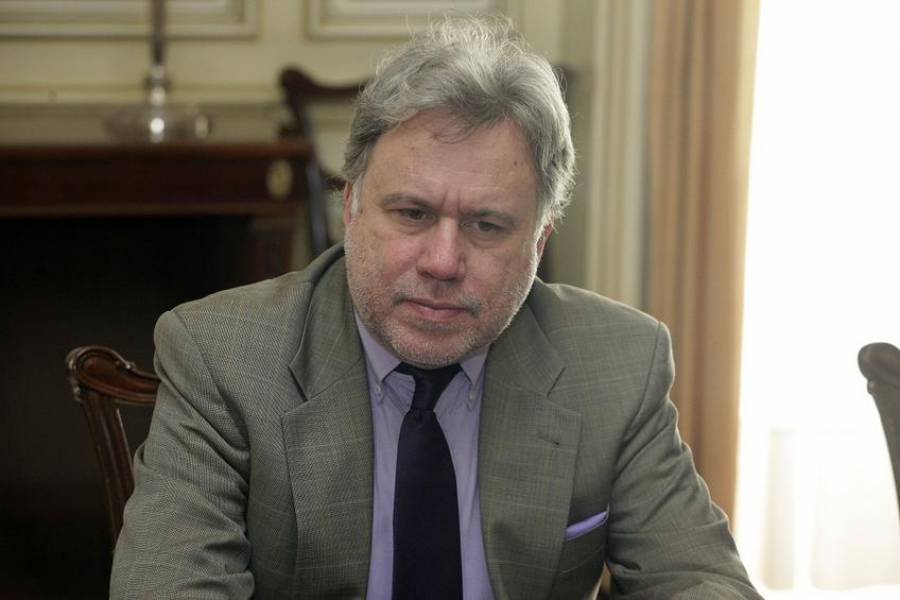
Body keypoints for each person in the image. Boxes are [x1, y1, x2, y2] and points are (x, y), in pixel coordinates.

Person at [110, 16, 762, 600]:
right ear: (351, 207)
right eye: (413, 213)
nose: (443, 262)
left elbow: (701, 578)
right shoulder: (224, 360)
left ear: (538, 242)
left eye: (486, 225)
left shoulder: (617, 364)